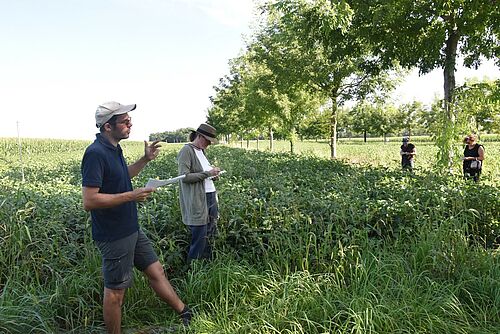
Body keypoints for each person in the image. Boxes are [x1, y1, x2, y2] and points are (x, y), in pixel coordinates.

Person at [81, 101, 192, 333]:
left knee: (156, 271)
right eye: (124, 120)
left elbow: (121, 176)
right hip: (114, 234)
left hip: (131, 228)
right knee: (115, 293)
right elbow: (89, 201)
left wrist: (144, 160)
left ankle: (185, 314)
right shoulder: (95, 153)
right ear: (108, 127)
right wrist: (131, 196)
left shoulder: (114, 148)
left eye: (129, 119)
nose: (130, 122)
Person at [177, 123, 221, 262]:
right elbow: (185, 177)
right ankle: (193, 268)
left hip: (210, 195)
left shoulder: (202, 151)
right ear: (200, 136)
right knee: (200, 235)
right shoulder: (186, 151)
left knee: (211, 232)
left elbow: (203, 174)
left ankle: (206, 265)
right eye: (207, 140)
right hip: (198, 199)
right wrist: (207, 174)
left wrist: (213, 175)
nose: (208, 144)